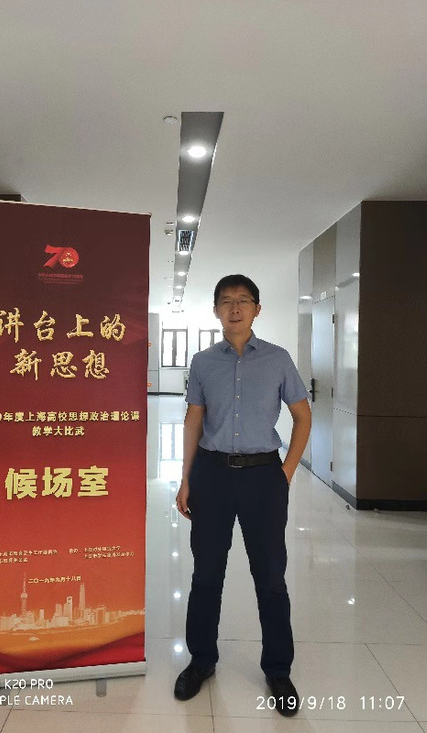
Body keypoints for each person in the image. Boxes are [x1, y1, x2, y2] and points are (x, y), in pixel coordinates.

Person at [174, 274, 311, 717]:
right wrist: (186, 478)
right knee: (206, 573)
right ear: (216, 310)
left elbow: (303, 416)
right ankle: (201, 660)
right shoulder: (202, 362)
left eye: (243, 300)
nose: (235, 308)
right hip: (212, 475)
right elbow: (194, 421)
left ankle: (278, 669)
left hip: (263, 476)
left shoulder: (277, 359)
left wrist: (285, 472)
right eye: (226, 301)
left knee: (270, 575)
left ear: (256, 309)